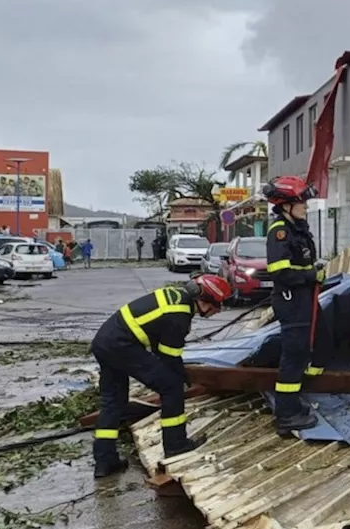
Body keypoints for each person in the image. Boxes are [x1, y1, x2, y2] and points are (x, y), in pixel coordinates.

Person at [89, 274, 230, 478]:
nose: (218, 311)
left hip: (104, 343)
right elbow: (169, 357)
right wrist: (182, 378)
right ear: (206, 300)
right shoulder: (180, 314)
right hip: (123, 346)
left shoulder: (175, 297)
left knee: (113, 403)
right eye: (218, 305)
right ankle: (176, 445)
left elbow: (158, 342)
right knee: (171, 388)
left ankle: (104, 462)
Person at [261, 175, 328, 434]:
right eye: (302, 202)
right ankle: (286, 414)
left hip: (305, 298)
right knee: (295, 354)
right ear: (287, 205)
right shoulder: (280, 232)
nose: (306, 206)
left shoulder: (297, 228)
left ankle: (297, 397)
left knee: (320, 339)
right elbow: (280, 272)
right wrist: (311, 276)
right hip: (292, 300)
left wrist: (314, 270)